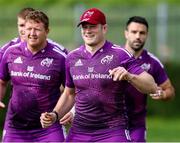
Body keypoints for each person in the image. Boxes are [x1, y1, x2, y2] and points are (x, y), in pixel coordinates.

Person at [40, 8, 158, 142]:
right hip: (79, 131)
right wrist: (55, 115)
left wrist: (130, 76)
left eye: (93, 26)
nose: (88, 30)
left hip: (112, 131)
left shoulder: (120, 54)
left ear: (104, 28)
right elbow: (69, 93)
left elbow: (152, 86)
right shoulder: (72, 57)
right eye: (84, 27)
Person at [0, 10, 67, 142]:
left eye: (37, 29)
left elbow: (71, 91)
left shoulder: (60, 57)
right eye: (29, 28)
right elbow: (2, 81)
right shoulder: (10, 52)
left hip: (49, 127)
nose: (32, 33)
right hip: (15, 127)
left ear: (47, 31)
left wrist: (66, 112)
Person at [123, 16, 175, 142]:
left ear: (147, 35)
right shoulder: (113, 57)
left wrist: (163, 94)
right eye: (134, 32)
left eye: (142, 33)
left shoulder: (152, 62)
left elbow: (170, 90)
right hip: (111, 122)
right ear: (126, 33)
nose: (138, 36)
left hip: (137, 124)